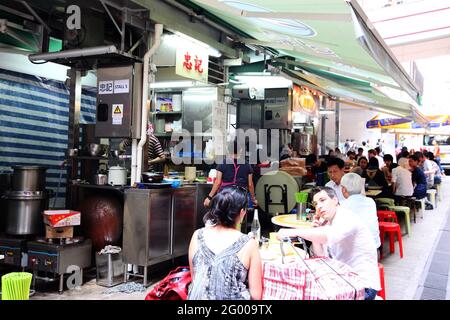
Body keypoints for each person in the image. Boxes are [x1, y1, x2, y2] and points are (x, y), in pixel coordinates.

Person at [276, 187, 381, 300]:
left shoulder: (346, 217)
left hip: (362, 287)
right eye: (316, 204)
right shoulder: (328, 222)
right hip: (343, 280)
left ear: (335, 200)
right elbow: (321, 257)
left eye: (323, 200)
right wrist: (316, 232)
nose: (319, 206)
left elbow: (328, 236)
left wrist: (293, 232)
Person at [188, 186, 262, 300]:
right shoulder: (249, 244)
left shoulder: (197, 235)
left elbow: (196, 280)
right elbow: (256, 296)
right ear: (242, 212)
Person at [204, 139, 257, 208]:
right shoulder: (247, 165)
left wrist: (209, 197)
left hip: (225, 196)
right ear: (240, 150)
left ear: (228, 151)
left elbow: (218, 182)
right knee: (239, 217)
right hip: (240, 197)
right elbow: (250, 184)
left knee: (224, 216)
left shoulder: (223, 163)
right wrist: (253, 199)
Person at [340, 173, 381, 251]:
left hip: (356, 251)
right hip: (374, 247)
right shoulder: (371, 201)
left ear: (344, 189)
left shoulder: (342, 205)